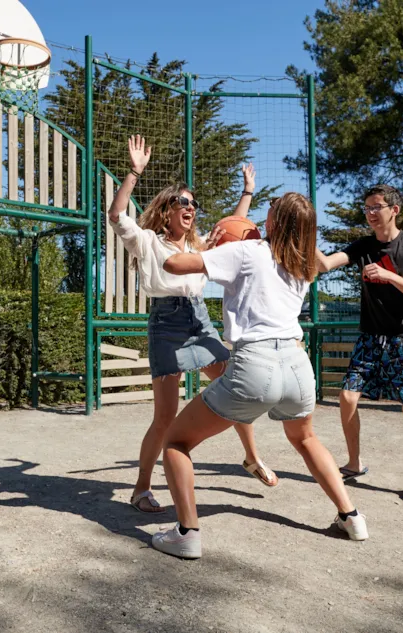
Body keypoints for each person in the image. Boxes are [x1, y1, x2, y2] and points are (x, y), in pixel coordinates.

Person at [152, 193, 368, 559]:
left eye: (269, 211)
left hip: (255, 363)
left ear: (273, 221)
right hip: (298, 365)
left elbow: (174, 263)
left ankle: (187, 533)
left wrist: (210, 245)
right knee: (306, 439)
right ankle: (352, 517)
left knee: (175, 442)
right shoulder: (304, 265)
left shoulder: (247, 251)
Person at [108, 135, 278, 515]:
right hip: (167, 324)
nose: (190, 207)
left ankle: (251, 457)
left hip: (200, 320)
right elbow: (117, 215)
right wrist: (134, 172)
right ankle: (140, 488)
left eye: (193, 204)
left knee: (235, 387)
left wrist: (247, 192)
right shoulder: (149, 241)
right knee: (165, 417)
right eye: (182, 202)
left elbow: (233, 230)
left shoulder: (201, 249)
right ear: (167, 209)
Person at [317, 184, 403, 507]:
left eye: (376, 207)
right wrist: (304, 232)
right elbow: (325, 265)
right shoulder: (364, 245)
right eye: (366, 208)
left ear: (394, 210)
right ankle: (354, 463)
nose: (370, 213)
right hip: (370, 339)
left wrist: (387, 275)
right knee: (346, 396)